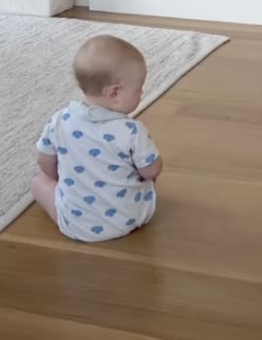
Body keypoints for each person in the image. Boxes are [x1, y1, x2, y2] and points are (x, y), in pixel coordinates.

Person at [31, 34, 163, 242]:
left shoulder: (59, 121)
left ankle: (76, 208)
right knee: (146, 179)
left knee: (38, 182)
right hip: (132, 217)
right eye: (139, 88)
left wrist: (63, 180)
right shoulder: (132, 130)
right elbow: (152, 171)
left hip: (76, 226)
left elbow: (44, 161)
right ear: (114, 93)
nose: (142, 93)